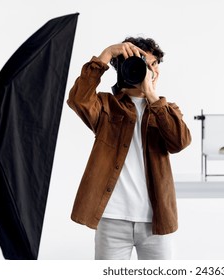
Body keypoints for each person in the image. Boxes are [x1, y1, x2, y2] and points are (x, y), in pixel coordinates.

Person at [67, 37, 191, 260]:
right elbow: (78, 99)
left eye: (153, 65)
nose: (149, 70)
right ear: (124, 68)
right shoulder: (106, 105)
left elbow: (179, 142)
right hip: (111, 218)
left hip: (156, 221)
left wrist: (152, 96)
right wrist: (105, 55)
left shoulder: (167, 110)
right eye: (143, 64)